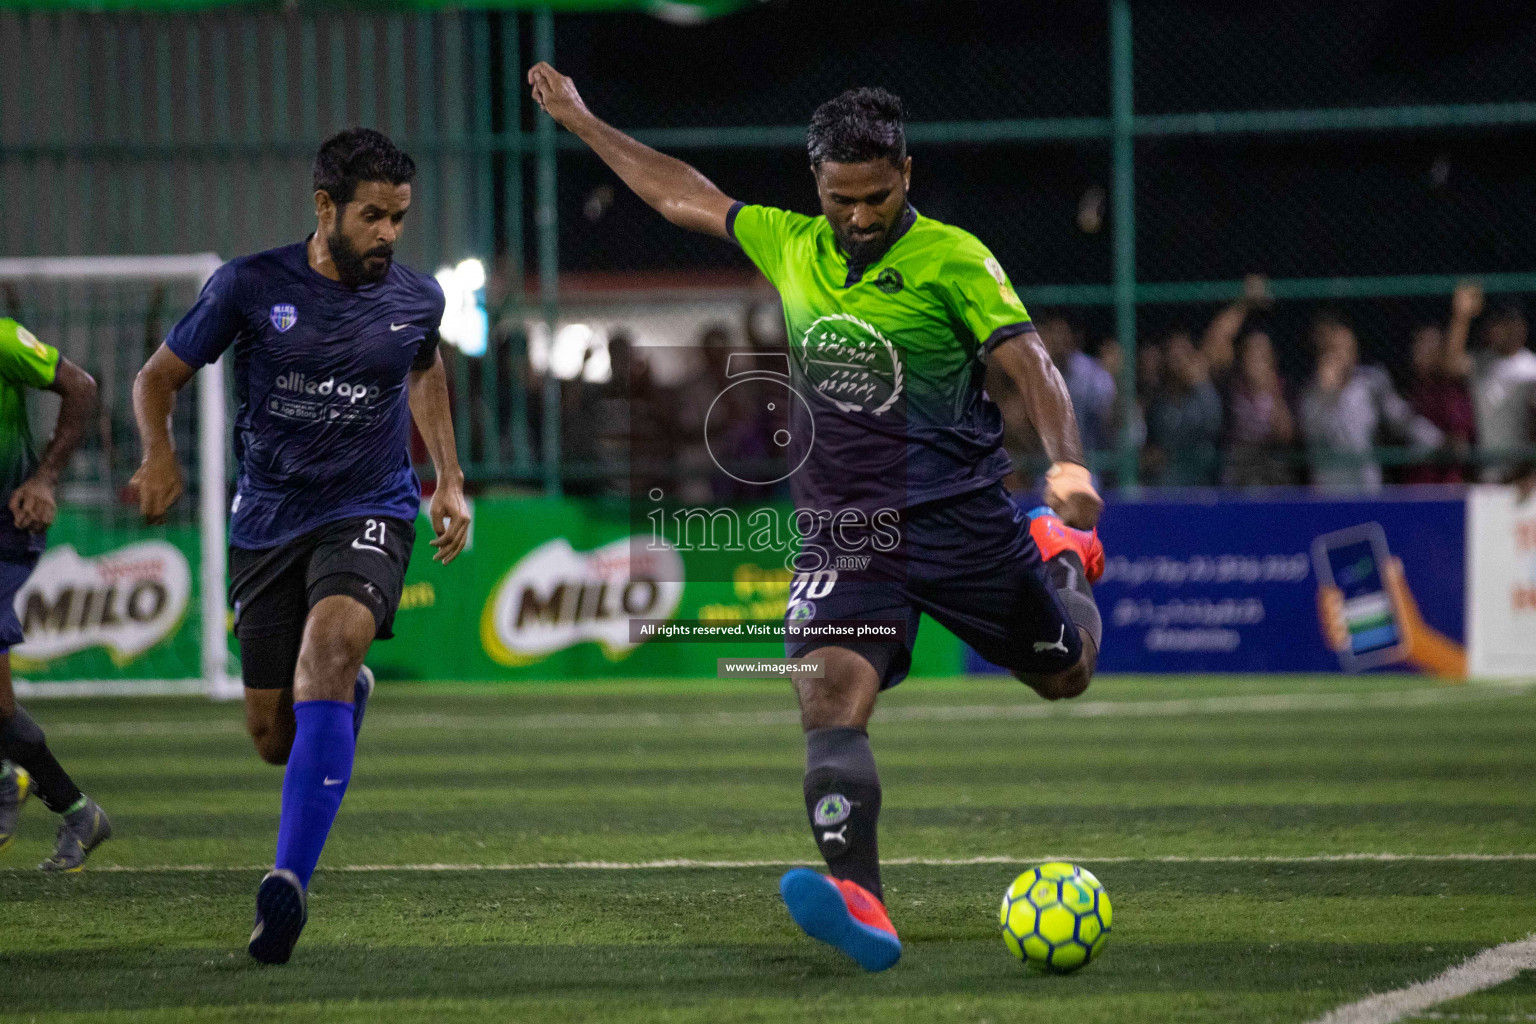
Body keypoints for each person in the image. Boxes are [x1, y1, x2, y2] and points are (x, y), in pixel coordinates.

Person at [529, 65, 1104, 972]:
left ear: (906, 174)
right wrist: (584, 120)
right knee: (828, 692)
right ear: (817, 187)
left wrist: (1067, 466)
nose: (862, 217)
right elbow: (684, 194)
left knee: (1065, 675)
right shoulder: (792, 243)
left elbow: (1031, 366)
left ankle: (1061, 557)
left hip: (961, 523)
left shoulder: (955, 258)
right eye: (843, 199)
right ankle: (863, 902)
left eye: (877, 197)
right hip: (847, 533)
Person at [130, 128, 471, 965]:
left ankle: (286, 883)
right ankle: (346, 692)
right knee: (273, 736)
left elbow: (423, 368)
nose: (388, 235)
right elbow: (155, 378)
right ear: (324, 208)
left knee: (326, 650)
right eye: (372, 217)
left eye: (399, 218)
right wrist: (159, 452)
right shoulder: (250, 285)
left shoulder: (417, 298)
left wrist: (449, 480)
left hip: (370, 506)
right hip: (269, 522)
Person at [0, 318, 106, 871]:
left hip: (6, 525)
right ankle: (76, 811)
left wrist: (45, 477)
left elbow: (81, 386)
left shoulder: (1, 339)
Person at [1299, 312, 1441, 491]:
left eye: (1349, 347)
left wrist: (1436, 440)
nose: (1345, 354)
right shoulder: (1312, 392)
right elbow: (1313, 434)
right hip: (1328, 489)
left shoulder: (1371, 382)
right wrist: (1326, 394)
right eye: (1337, 348)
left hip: (1367, 487)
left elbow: (1401, 418)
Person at [1442, 285, 1536, 483]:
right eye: (1500, 323)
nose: (1507, 330)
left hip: (1523, 476)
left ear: (1523, 327)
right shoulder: (1481, 364)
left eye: (1512, 322)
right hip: (1488, 475)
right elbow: (1451, 365)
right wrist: (1462, 317)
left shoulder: (1531, 368)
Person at [1404, 296, 1475, 484]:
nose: (1420, 349)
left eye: (1429, 344)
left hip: (1446, 484)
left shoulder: (1450, 387)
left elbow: (1459, 445)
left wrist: (1461, 317)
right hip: (1415, 484)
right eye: (1417, 343)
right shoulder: (1414, 387)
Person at [1146, 332, 1223, 485]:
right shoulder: (1159, 403)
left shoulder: (1204, 394)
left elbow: (1213, 425)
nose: (1179, 362)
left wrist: (1201, 383)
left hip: (1204, 477)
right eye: (1173, 356)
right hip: (1168, 480)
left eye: (1184, 355)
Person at [1223, 329, 1295, 487]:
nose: (1257, 357)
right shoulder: (1232, 386)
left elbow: (1285, 435)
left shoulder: (1281, 386)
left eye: (1263, 352)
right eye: (1252, 351)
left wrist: (1273, 391)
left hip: (1271, 457)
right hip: (1239, 459)